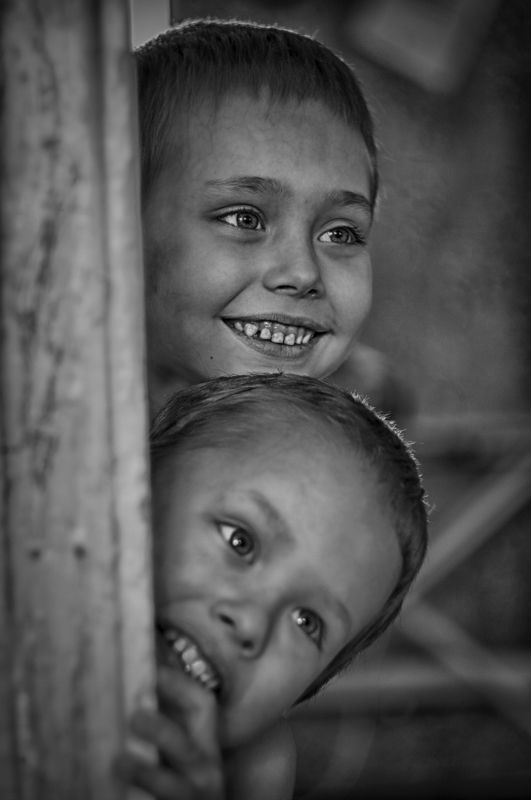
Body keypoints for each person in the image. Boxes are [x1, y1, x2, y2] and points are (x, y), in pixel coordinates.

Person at [121, 373, 428, 800]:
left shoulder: (245, 780)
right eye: (239, 541)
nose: (251, 623)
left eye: (307, 622)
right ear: (127, 484)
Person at [135, 18, 381, 416]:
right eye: (244, 219)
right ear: (122, 231)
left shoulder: (354, 450)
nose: (302, 274)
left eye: (339, 234)